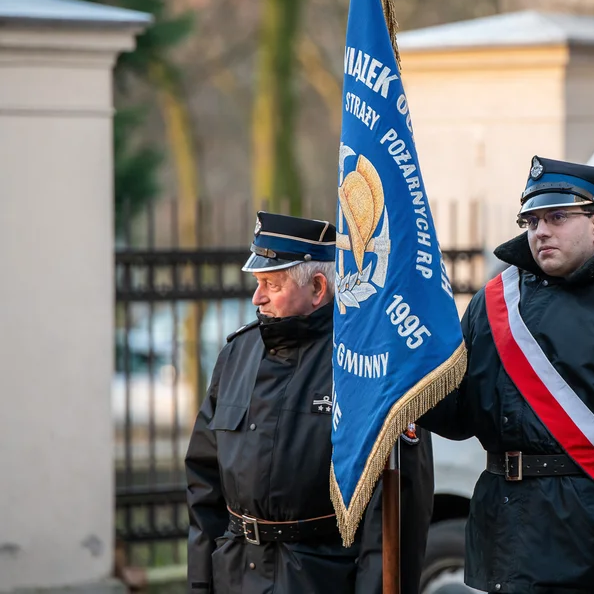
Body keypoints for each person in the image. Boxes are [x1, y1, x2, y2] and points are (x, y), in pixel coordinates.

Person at [421, 156, 594, 594]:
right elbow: (461, 415)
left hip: (589, 549)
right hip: (501, 537)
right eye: (532, 220)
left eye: (557, 217)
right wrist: (404, 380)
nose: (540, 231)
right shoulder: (493, 304)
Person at [185, 211, 434, 594]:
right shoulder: (237, 354)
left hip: (318, 578)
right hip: (234, 574)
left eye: (272, 283)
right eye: (257, 282)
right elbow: (203, 483)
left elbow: (390, 513)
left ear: (318, 288)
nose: (257, 297)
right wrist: (201, 581)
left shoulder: (365, 365)